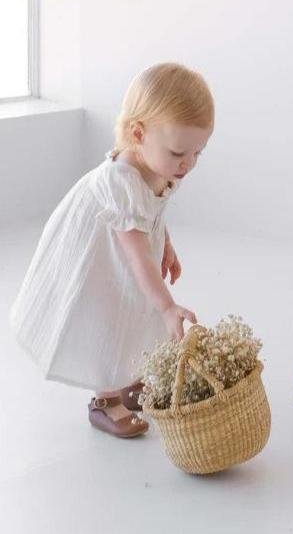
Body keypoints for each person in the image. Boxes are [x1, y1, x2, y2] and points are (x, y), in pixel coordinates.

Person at [9, 62, 213, 438]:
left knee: (137, 309)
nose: (188, 164)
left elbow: (154, 210)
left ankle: (128, 378)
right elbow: (135, 251)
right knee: (111, 313)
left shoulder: (161, 164)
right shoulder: (122, 182)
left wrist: (165, 241)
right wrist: (168, 305)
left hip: (128, 240)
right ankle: (105, 398)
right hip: (98, 253)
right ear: (138, 134)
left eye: (199, 152)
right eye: (179, 152)